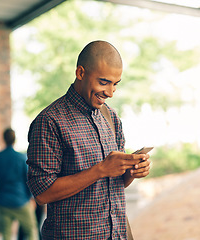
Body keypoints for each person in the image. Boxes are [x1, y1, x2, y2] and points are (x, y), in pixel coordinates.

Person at [26, 40, 151, 240]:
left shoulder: (111, 118)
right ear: (80, 73)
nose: (110, 93)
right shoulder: (49, 121)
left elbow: (113, 184)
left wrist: (131, 172)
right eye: (103, 82)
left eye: (115, 84)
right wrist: (100, 169)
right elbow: (42, 193)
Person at [0, 128, 39, 240]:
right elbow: (29, 179)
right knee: (31, 231)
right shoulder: (22, 158)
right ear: (14, 140)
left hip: (3, 201)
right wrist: (32, 197)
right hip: (21, 200)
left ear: (4, 139)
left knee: (6, 235)